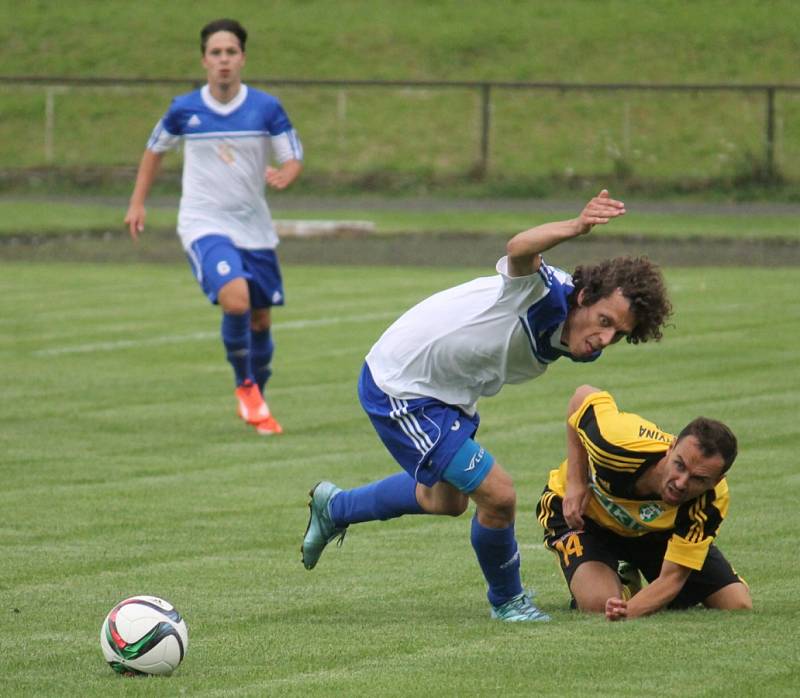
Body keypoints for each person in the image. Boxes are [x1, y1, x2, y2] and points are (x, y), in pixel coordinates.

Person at [301, 190, 673, 622]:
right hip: (403, 383)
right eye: (605, 321)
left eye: (619, 334)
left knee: (445, 500)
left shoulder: (584, 344)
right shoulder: (543, 294)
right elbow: (518, 249)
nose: (604, 339)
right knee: (498, 495)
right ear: (585, 296)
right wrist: (577, 226)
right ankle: (507, 601)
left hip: (450, 393)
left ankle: (335, 507)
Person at [124, 18, 303, 435]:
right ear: (204, 60)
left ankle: (257, 391)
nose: (224, 61)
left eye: (231, 52)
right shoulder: (184, 109)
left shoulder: (266, 107)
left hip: (255, 228)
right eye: (216, 53)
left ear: (242, 58)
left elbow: (291, 154)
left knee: (260, 320)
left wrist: (288, 173)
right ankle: (244, 388)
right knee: (235, 300)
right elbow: (154, 151)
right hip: (204, 222)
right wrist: (137, 202)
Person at [536, 384, 752, 621]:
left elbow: (672, 578)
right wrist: (576, 481)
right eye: (679, 465)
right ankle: (622, 581)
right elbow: (582, 396)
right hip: (585, 519)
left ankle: (628, 585)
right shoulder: (616, 443)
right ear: (671, 448)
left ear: (717, 480)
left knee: (736, 603)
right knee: (598, 603)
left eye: (698, 479)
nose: (681, 483)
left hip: (653, 533)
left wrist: (627, 613)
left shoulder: (711, 500)